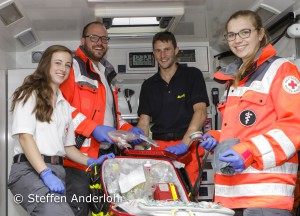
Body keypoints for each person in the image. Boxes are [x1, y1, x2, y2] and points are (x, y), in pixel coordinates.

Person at [200, 10, 300, 216]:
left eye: (245, 32)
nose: (238, 40)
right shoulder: (236, 81)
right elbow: (245, 132)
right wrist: (217, 137)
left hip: (265, 196)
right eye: (232, 35)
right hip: (231, 195)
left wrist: (248, 152)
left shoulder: (281, 70)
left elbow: (294, 127)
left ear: (260, 33)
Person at [8, 45, 115, 216]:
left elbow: (68, 148)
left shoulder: (64, 106)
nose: (63, 69)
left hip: (57, 172)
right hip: (29, 170)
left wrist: (92, 162)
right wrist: (45, 173)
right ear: (46, 65)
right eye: (58, 63)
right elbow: (25, 138)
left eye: (67, 65)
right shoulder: (30, 94)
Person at [59, 21, 144, 216]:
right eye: (94, 38)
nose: (100, 43)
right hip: (77, 161)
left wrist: (128, 129)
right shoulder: (73, 67)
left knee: (105, 212)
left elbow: (112, 118)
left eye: (104, 39)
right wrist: (92, 128)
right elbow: (62, 109)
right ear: (83, 40)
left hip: (104, 160)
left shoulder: (105, 74)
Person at [137, 31, 209, 186]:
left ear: (176, 50)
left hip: (189, 145)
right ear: (153, 53)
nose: (163, 55)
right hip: (160, 148)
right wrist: (137, 148)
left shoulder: (192, 75)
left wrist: (184, 143)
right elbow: (143, 122)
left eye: (167, 49)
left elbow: (201, 112)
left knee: (188, 195)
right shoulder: (148, 85)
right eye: (158, 50)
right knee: (162, 196)